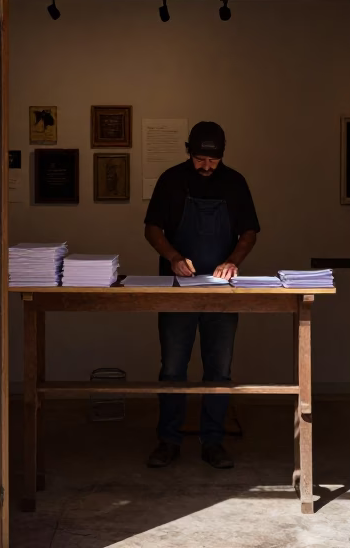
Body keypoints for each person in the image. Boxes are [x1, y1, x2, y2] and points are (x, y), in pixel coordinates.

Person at [142, 121, 259, 470]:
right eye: (199, 159)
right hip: (178, 290)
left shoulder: (235, 182)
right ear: (187, 150)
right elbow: (151, 228)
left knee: (218, 371)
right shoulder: (171, 180)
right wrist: (174, 257)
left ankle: (213, 442)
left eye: (213, 160)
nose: (207, 166)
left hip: (221, 292)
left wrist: (232, 262)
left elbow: (249, 232)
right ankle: (168, 441)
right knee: (173, 368)